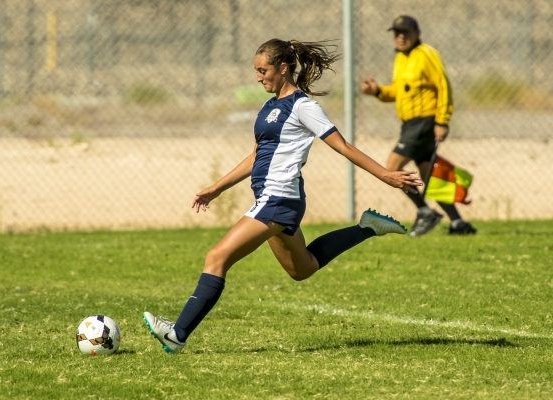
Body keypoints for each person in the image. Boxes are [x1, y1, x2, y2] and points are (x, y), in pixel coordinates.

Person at [143, 38, 423, 354]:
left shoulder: (303, 107)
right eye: (256, 71)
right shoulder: (269, 106)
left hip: (279, 199)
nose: (258, 77)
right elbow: (256, 156)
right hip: (271, 198)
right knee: (301, 269)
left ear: (283, 68)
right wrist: (217, 187)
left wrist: (386, 175)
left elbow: (342, 146)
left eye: (263, 70)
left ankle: (177, 335)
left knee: (216, 257)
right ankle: (367, 227)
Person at [361, 15, 477, 236]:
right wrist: (377, 91)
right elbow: (398, 92)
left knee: (392, 168)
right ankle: (458, 224)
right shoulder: (401, 59)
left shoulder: (426, 54)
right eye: (397, 33)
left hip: (424, 123)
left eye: (406, 32)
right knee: (429, 177)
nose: (401, 37)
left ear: (418, 33)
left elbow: (443, 86)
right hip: (410, 124)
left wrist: (442, 121)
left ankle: (425, 212)